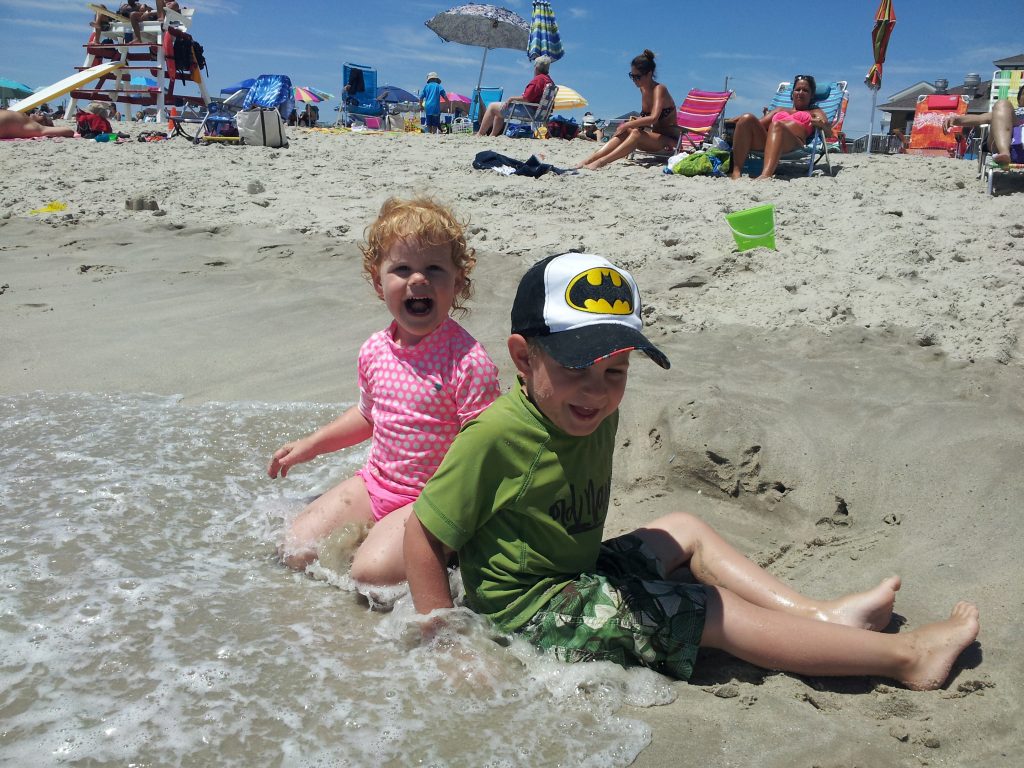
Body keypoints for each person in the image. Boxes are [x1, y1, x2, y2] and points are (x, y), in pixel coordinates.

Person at [403, 251, 981, 690]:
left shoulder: (590, 413)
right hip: (530, 613)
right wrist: (446, 641)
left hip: (576, 575)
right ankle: (907, 658)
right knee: (706, 612)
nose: (595, 392)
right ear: (524, 358)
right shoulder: (497, 436)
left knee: (683, 525)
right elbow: (423, 534)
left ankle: (821, 615)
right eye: (577, 365)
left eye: (616, 371)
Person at [268, 197, 501, 582]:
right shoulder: (375, 350)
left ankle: (439, 550)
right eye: (403, 268)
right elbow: (367, 416)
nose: (418, 279)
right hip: (375, 482)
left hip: (433, 499)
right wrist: (311, 445)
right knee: (294, 548)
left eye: (434, 269)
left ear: (457, 282)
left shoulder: (468, 362)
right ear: (379, 282)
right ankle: (381, 538)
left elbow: (487, 450)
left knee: (368, 575)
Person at [576, 50, 679, 170]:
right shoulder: (643, 90)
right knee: (626, 130)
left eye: (637, 77)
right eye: (632, 76)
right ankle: (589, 159)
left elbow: (654, 117)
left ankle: (601, 162)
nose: (634, 80)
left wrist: (627, 125)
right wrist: (626, 127)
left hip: (670, 143)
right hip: (654, 140)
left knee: (633, 131)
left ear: (649, 74)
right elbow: (644, 119)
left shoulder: (659, 89)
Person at [725, 74, 831, 180]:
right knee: (746, 118)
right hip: (769, 140)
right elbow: (759, 124)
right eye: (797, 89)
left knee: (777, 125)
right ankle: (736, 172)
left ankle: (766, 175)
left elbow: (828, 132)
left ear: (811, 95)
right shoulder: (780, 109)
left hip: (794, 143)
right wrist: (743, 120)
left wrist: (820, 124)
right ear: (792, 93)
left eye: (805, 90)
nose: (800, 93)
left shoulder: (815, 111)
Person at [943, 83, 1024, 166]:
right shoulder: (1008, 113)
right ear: (1019, 100)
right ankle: (1004, 153)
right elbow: (980, 119)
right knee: (1002, 104)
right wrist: (957, 119)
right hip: (1008, 145)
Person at [476, 56, 553, 138]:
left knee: (492, 107)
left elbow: (526, 99)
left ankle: (480, 134)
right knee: (498, 111)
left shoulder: (538, 80)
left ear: (536, 68)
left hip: (529, 111)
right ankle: (492, 135)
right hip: (538, 112)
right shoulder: (549, 81)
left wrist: (511, 98)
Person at [0, 109, 75, 139]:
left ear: (43, 122)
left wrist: (48, 128)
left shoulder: (35, 127)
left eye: (41, 115)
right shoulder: (26, 119)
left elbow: (69, 131)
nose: (38, 113)